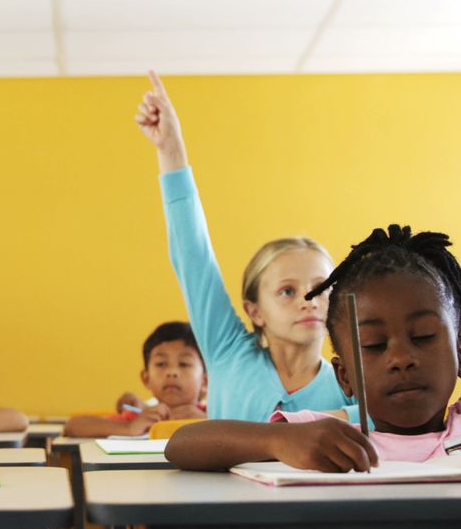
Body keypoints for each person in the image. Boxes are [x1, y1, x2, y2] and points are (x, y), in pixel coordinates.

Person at [166, 56, 461, 472]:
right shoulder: (326, 439)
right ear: (343, 378)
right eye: (374, 346)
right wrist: (278, 437)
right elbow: (181, 445)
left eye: (425, 336)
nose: (401, 358)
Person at [135, 71, 355, 422]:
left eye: (320, 288)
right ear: (255, 311)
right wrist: (170, 148)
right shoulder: (227, 352)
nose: (308, 300)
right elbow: (192, 254)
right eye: (287, 291)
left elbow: (394, 422)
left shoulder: (350, 384)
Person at [64, 322, 207, 437]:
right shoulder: (143, 416)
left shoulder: (214, 415)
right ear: (146, 379)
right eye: (161, 364)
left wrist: (210, 423)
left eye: (184, 364)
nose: (171, 372)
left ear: (205, 382)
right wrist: (128, 427)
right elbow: (72, 426)